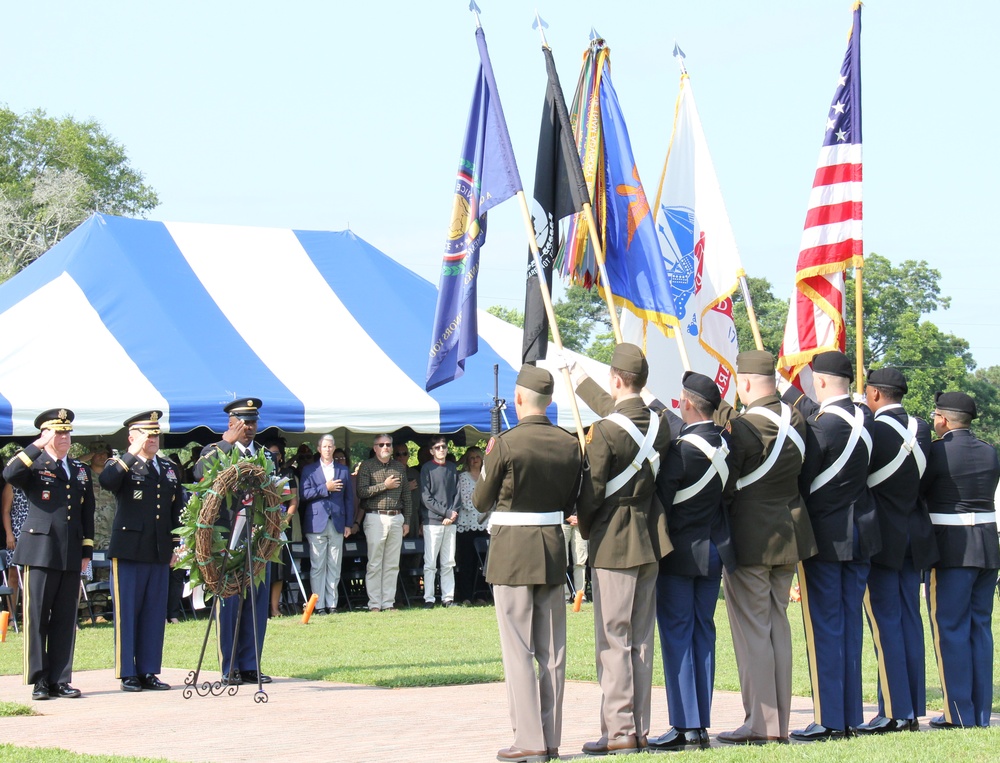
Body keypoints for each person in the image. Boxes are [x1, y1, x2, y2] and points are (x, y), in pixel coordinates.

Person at [473, 364, 583, 763]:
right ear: (549, 401)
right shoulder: (570, 443)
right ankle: (550, 739)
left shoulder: (505, 443)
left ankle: (529, 740)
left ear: (518, 399)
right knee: (552, 651)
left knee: (518, 649)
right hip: (551, 549)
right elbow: (572, 501)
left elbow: (480, 502)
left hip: (512, 552)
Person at [572, 344, 675, 755]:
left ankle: (618, 731)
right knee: (641, 640)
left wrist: (583, 522)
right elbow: (624, 412)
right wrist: (582, 384)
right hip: (650, 536)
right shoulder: (661, 425)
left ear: (616, 379)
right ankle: (641, 728)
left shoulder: (606, 431)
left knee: (613, 639)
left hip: (614, 537)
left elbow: (592, 490)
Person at [713, 351, 817, 745]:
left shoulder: (743, 428)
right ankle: (777, 721)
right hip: (789, 533)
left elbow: (727, 483)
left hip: (750, 537)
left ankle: (761, 723)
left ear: (745, 383)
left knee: (754, 631)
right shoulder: (797, 420)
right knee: (777, 626)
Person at [781, 351, 880, 741]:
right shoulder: (866, 420)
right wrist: (790, 391)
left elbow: (802, 478)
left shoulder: (821, 428)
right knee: (850, 626)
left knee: (824, 627)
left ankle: (829, 718)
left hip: (825, 535)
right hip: (861, 533)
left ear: (820, 382)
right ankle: (850, 715)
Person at [647, 372, 736, 752]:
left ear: (686, 404)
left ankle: (685, 725)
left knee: (678, 637)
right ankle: (701, 725)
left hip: (680, 554)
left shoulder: (681, 452)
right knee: (704, 634)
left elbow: (662, 502)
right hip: (714, 550)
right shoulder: (727, 445)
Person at [855, 367, 937, 734]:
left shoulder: (872, 429)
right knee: (909, 621)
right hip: (914, 534)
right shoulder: (922, 428)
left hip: (883, 537)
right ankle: (911, 707)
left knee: (885, 622)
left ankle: (895, 710)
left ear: (874, 394)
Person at [2, 408, 95, 701]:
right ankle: (39, 679)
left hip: (70, 550)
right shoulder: (34, 463)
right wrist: (37, 446)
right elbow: (10, 473)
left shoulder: (79, 469)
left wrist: (86, 550)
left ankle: (60, 679)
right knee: (37, 617)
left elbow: (87, 511)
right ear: (46, 434)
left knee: (66, 619)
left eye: (67, 432)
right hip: (39, 550)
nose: (64, 437)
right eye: (58, 432)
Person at [921, 391, 1000, 729]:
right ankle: (980, 713)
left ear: (943, 420)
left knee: (950, 629)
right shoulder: (990, 451)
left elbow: (921, 493)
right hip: (987, 547)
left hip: (952, 549)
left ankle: (958, 712)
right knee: (980, 629)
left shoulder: (937, 453)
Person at [193, 398, 277, 686]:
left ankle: (251, 663)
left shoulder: (266, 455)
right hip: (227, 538)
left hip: (258, 536)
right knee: (229, 602)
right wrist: (226, 444)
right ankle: (229, 666)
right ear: (231, 425)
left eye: (253, 422)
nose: (250, 428)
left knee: (256, 601)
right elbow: (199, 473)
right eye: (243, 423)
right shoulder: (214, 452)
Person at [99, 411, 185, 692]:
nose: (153, 439)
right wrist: (131, 454)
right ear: (132, 437)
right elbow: (108, 481)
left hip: (158, 550)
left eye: (156, 434)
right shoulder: (122, 464)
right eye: (147, 435)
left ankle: (149, 670)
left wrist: (176, 545)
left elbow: (175, 509)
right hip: (129, 550)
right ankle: (128, 672)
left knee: (153, 612)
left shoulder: (168, 467)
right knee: (128, 612)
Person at [299, 434, 354, 614]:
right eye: (325, 446)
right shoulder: (309, 470)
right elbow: (304, 495)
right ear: (319, 449)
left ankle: (332, 604)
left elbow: (349, 499)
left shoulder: (343, 470)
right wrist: (326, 488)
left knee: (334, 565)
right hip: (316, 522)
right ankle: (319, 604)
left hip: (338, 522)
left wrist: (348, 524)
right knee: (317, 565)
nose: (328, 449)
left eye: (331, 446)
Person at [356, 434, 412, 612]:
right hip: (375, 517)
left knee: (392, 563)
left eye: (388, 444)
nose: (385, 447)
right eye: (381, 444)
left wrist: (407, 521)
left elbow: (407, 497)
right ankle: (374, 604)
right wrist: (384, 486)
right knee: (374, 563)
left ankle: (388, 602)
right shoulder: (367, 466)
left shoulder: (398, 467)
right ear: (375, 448)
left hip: (397, 517)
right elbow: (361, 492)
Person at [420, 435, 459, 608]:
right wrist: (446, 512)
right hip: (432, 522)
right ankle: (429, 599)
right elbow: (425, 497)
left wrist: (452, 514)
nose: (441, 450)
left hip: (450, 521)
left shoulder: (452, 468)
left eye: (443, 447)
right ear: (431, 451)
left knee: (449, 561)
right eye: (437, 447)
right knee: (430, 563)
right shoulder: (427, 469)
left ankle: (447, 598)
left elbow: (458, 494)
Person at [263, 436, 298, 618]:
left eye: (275, 454)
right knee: (263, 567)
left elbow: (293, 500)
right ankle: (262, 608)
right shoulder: (260, 473)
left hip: (283, 527)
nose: (272, 456)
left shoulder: (288, 474)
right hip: (263, 527)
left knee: (279, 570)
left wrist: (285, 521)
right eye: (269, 453)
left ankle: (275, 608)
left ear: (281, 456)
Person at [455, 446, 488, 605]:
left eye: (477, 457)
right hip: (467, 524)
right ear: (467, 460)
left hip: (486, 523)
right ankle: (466, 596)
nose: (475, 460)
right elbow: (465, 500)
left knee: (483, 562)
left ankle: (482, 594)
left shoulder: (487, 476)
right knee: (467, 561)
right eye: (471, 457)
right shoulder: (463, 477)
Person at [2, 481, 29, 615]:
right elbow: (5, 511)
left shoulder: (39, 482)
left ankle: (27, 614)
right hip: (16, 533)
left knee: (30, 575)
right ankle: (12, 615)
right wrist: (9, 534)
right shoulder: (12, 485)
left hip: (35, 534)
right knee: (13, 574)